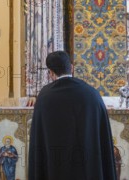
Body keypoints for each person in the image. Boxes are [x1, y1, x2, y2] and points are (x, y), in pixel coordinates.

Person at [28, 50, 117, 180]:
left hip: (55, 168)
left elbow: (39, 139)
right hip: (88, 168)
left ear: (51, 73)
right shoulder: (92, 94)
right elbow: (102, 136)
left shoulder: (44, 96)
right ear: (71, 67)